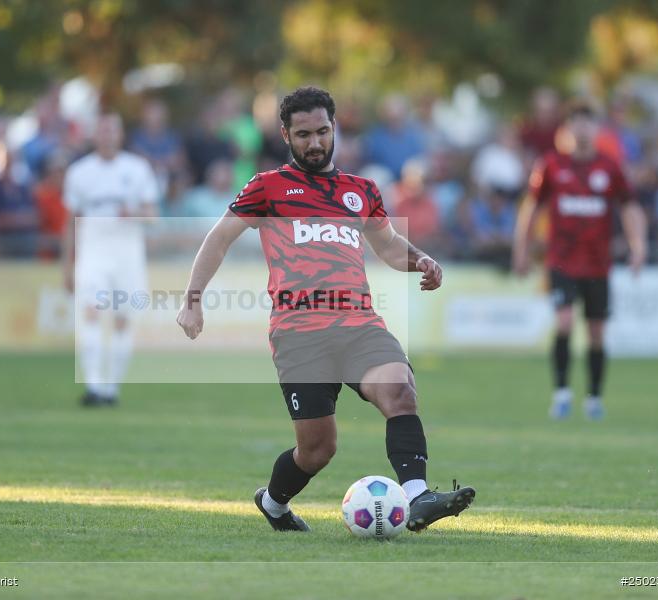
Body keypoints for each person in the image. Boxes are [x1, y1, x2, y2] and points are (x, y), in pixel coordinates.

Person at [176, 86, 475, 533]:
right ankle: (273, 503)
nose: (314, 143)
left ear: (334, 128)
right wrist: (193, 300)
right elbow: (219, 239)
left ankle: (418, 496)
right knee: (317, 450)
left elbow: (389, 246)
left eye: (321, 132)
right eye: (303, 135)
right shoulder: (267, 187)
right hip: (299, 333)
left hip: (359, 323)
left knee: (399, 390)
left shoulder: (361, 190)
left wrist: (421, 260)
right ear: (286, 135)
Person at [512, 100, 647, 421]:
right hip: (561, 260)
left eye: (588, 123)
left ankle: (594, 397)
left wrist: (638, 245)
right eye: (577, 123)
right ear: (568, 128)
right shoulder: (551, 165)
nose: (583, 129)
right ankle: (561, 393)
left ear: (596, 129)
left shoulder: (610, 167)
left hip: (598, 263)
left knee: (596, 332)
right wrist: (522, 250)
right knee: (564, 322)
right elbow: (532, 207)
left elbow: (629, 207)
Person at [62, 112, 159, 407]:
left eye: (112, 130)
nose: (107, 136)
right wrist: (67, 265)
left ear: (120, 134)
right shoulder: (79, 172)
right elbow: (69, 222)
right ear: (95, 135)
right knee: (90, 313)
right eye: (102, 130)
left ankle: (111, 389)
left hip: (127, 256)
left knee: (122, 321)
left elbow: (152, 215)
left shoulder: (137, 168)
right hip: (93, 254)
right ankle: (93, 386)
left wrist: (135, 214)